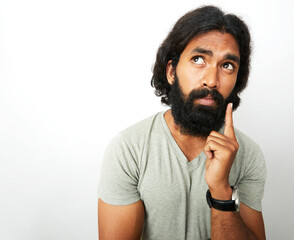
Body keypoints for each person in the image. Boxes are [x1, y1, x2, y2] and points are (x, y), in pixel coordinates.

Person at [97, 5, 266, 240]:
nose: (211, 80)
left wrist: (220, 190)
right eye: (198, 59)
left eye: (227, 65)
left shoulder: (248, 155)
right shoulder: (128, 149)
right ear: (171, 71)